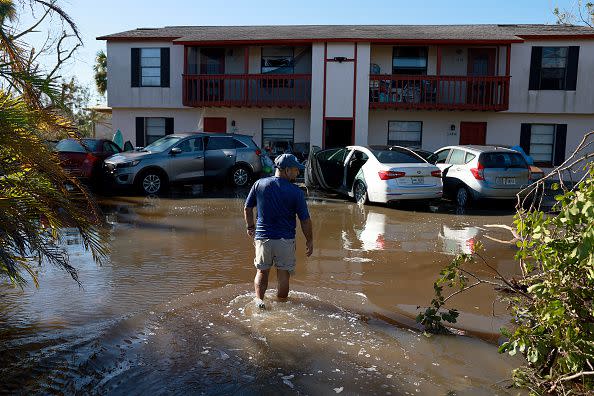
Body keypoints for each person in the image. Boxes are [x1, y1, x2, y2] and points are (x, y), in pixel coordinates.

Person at [244, 153, 313, 309]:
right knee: (283, 275)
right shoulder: (296, 192)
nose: (298, 173)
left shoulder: (259, 184)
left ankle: (259, 301)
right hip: (285, 240)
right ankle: (281, 306)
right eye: (296, 170)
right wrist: (309, 240)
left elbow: (247, 208)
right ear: (287, 170)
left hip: (262, 238)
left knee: (262, 272)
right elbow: (305, 220)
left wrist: (250, 227)